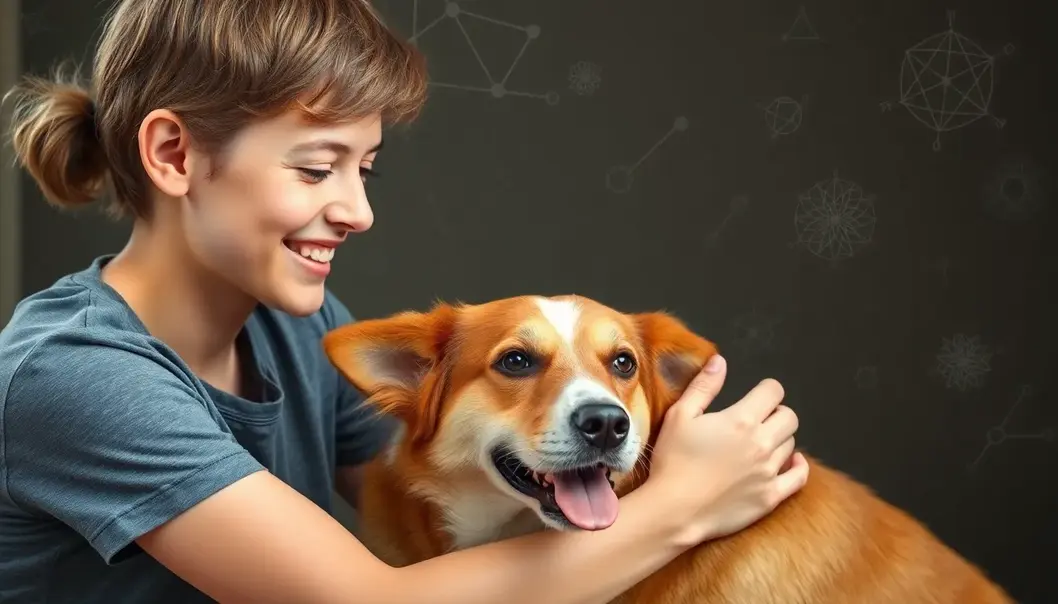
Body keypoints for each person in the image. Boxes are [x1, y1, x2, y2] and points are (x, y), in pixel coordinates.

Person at [0, 1, 810, 602]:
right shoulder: (75, 375)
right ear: (175, 154)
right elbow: (368, 601)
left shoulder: (294, 322)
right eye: (318, 168)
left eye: (366, 169)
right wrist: (683, 506)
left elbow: (430, 489)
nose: (358, 210)